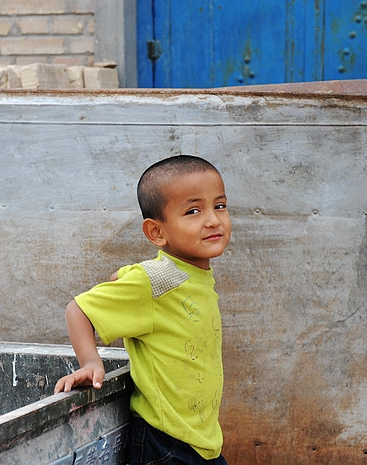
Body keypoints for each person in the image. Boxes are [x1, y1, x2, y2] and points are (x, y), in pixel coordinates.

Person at [54, 155, 231, 464]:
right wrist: (91, 361)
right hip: (166, 444)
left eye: (219, 205)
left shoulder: (192, 275)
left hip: (201, 440)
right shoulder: (157, 280)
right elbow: (78, 309)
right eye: (193, 211)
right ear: (156, 233)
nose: (213, 220)